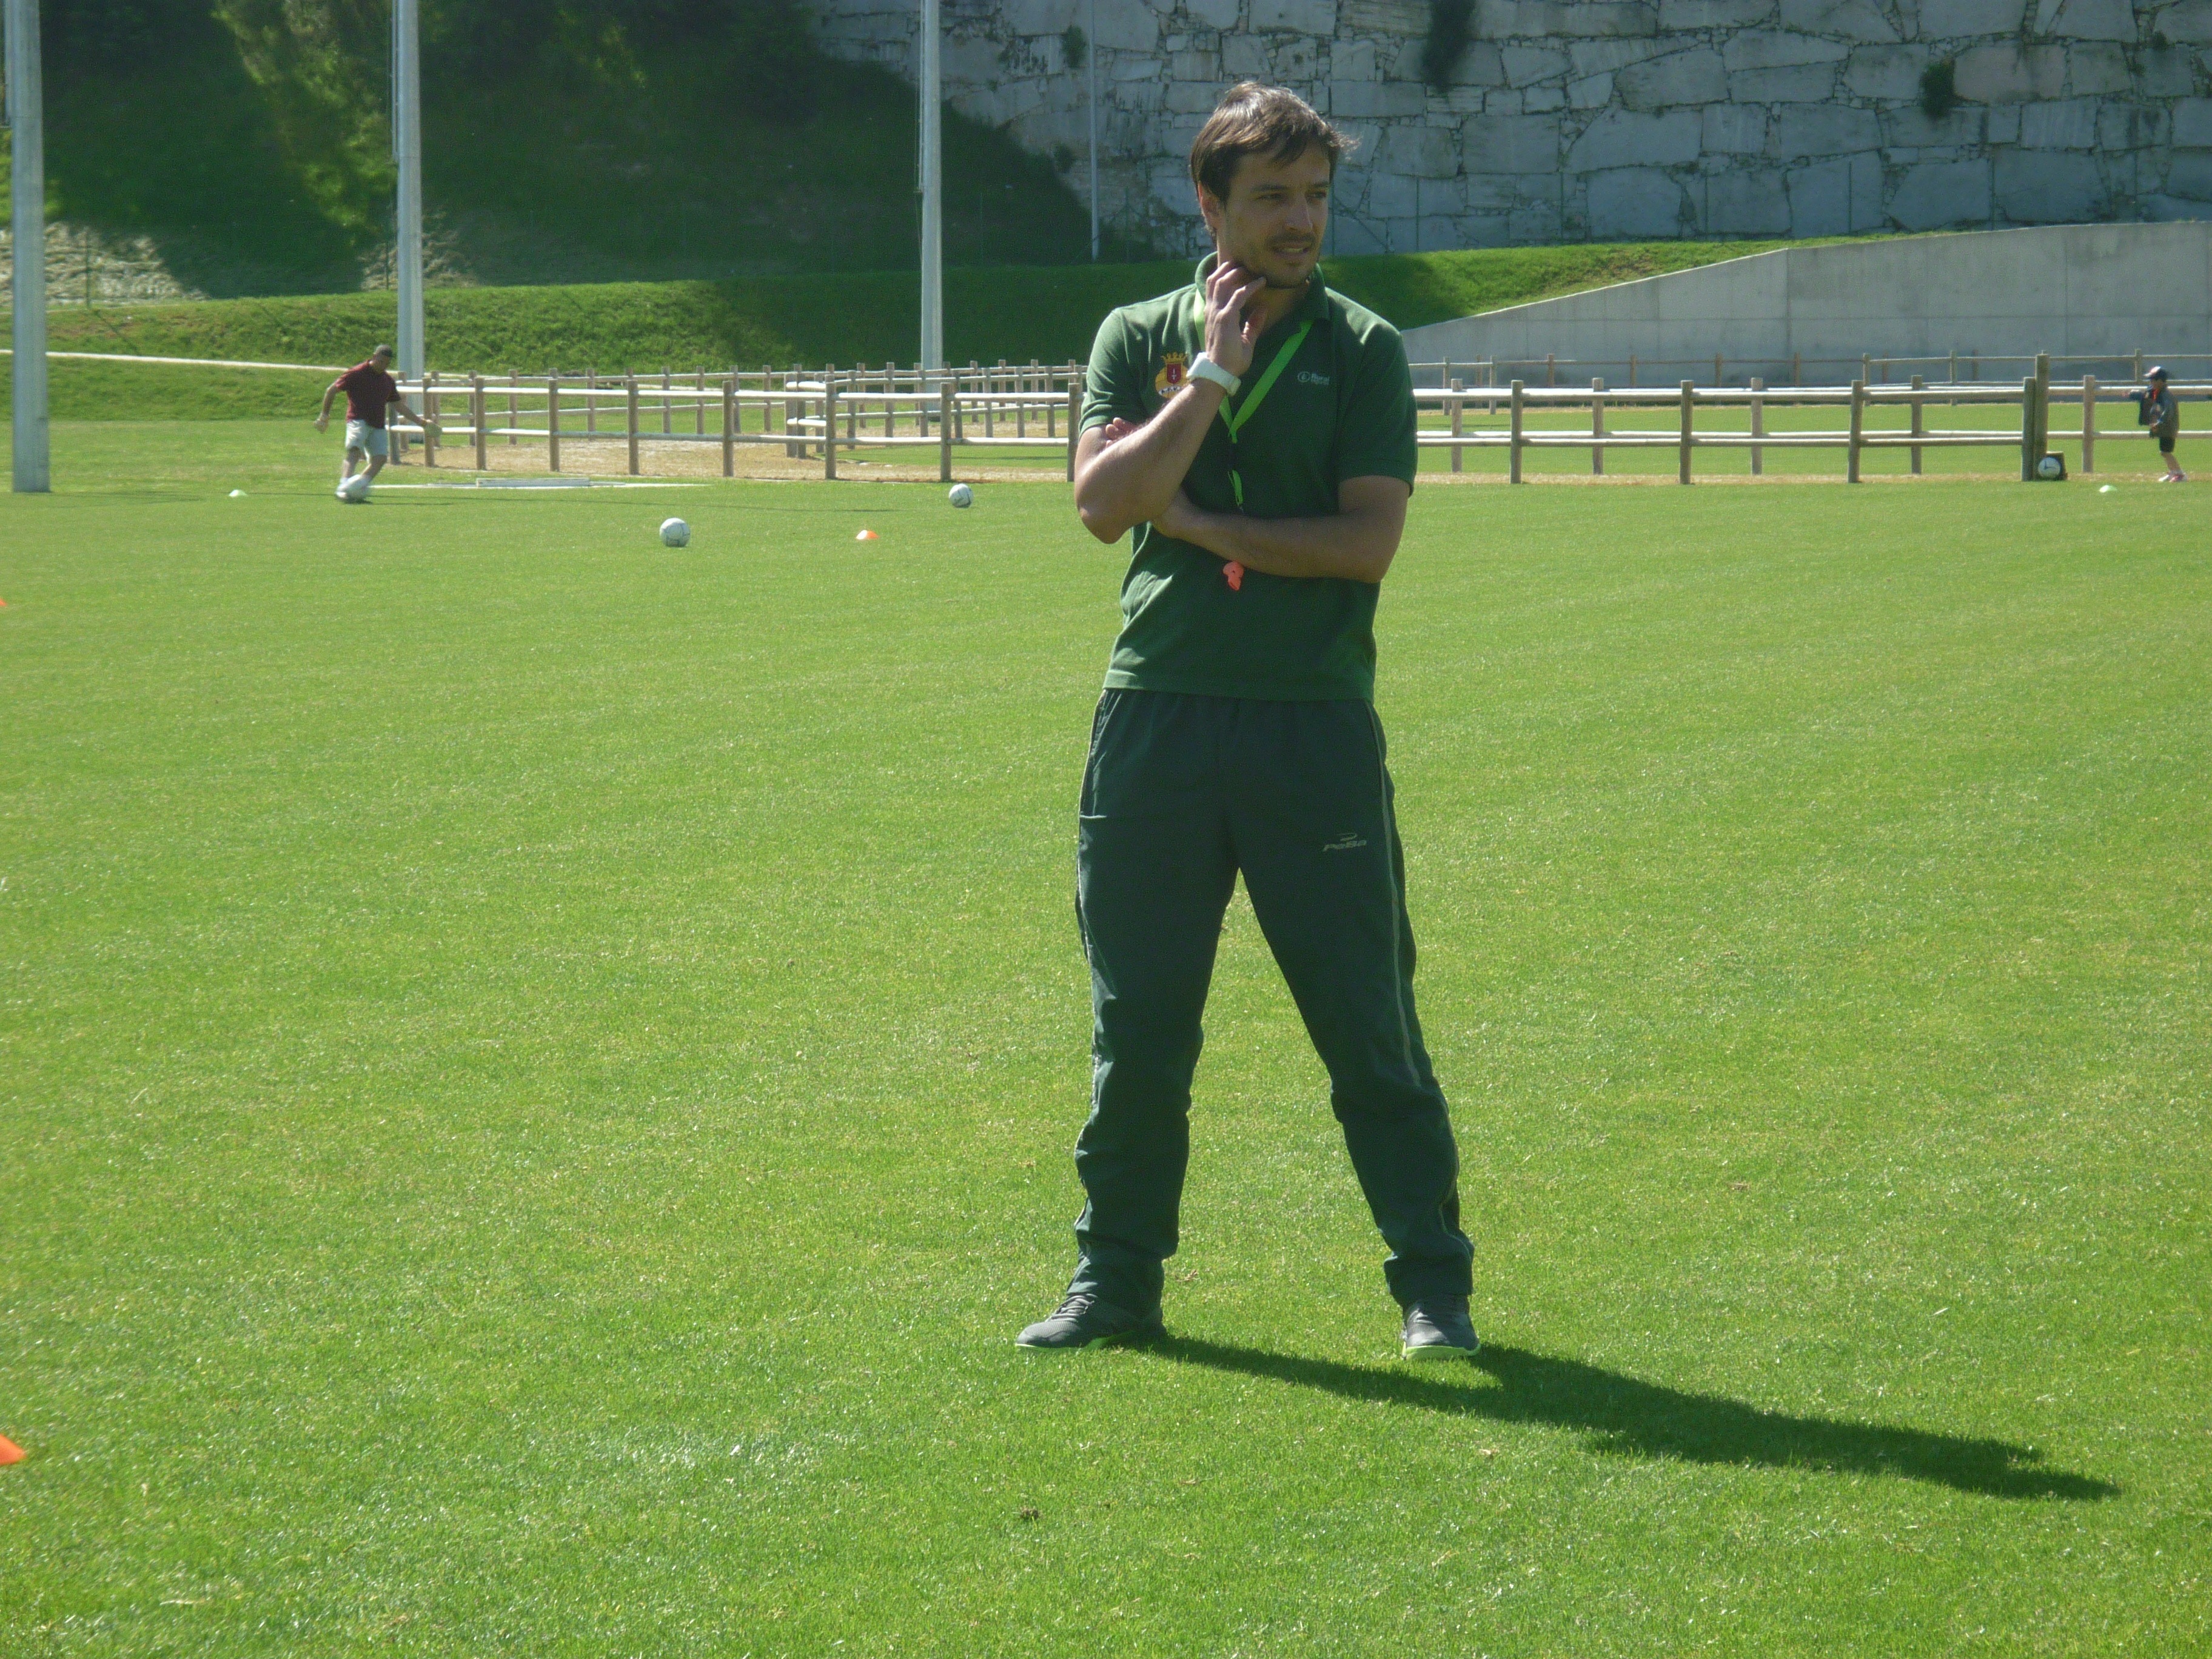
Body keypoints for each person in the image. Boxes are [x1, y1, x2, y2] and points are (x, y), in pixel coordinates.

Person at [1018, 82, 1478, 1362]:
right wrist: (1211, 376)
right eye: (1272, 197)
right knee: (1142, 1024)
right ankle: (1116, 1288)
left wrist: (1210, 525)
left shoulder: (1366, 349)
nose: (1301, 223)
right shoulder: (1139, 333)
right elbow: (1107, 504)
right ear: (1209, 202)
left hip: (1309, 729)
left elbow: (1364, 545)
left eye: (1316, 196)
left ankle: (1434, 1287)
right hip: (1155, 721)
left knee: (1365, 1019)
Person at [315, 344, 433, 501]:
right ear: (374, 357)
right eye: (381, 361)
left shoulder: (388, 381)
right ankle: (343, 487)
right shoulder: (356, 374)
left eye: (387, 364)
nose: (383, 366)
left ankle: (356, 488)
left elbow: (398, 405)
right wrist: (324, 415)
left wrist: (421, 422)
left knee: (380, 459)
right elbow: (331, 391)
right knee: (355, 451)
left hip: (377, 424)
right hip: (358, 420)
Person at [2135, 366, 2184, 482]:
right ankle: (2173, 473)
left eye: (2153, 380)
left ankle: (2180, 474)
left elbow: (2169, 412)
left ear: (2161, 381)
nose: (2151, 382)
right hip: (2164, 429)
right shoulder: (2158, 393)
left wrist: (2160, 423)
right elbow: (2146, 398)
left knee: (2166, 452)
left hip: (2168, 429)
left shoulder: (2166, 395)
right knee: (2164, 452)